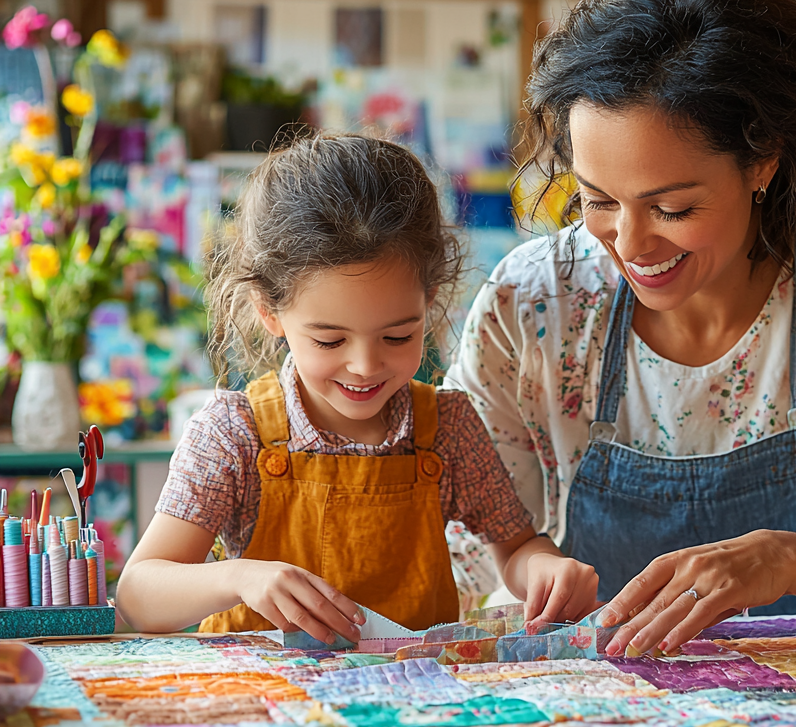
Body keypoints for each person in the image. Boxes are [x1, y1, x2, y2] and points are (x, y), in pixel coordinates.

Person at [445, 0, 796, 656]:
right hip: (587, 716)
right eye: (598, 200)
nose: (630, 243)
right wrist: (527, 568)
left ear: (762, 158)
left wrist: (780, 559)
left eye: (672, 208)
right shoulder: (532, 306)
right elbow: (466, 543)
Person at [117, 134, 598, 643]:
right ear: (269, 311)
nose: (366, 366)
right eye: (329, 339)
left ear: (430, 300)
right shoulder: (234, 435)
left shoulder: (449, 427)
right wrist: (240, 577)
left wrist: (545, 568)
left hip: (415, 706)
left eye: (398, 335)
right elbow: (138, 596)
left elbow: (517, 550)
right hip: (270, 711)